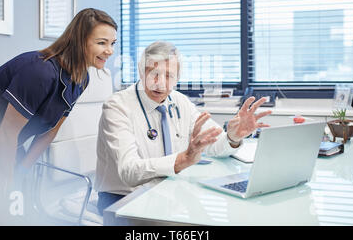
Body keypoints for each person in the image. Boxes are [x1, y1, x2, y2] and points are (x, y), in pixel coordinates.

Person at [0, 8, 117, 224]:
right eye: (102, 43)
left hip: (5, 139)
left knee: (11, 203)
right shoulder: (40, 71)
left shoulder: (82, 79)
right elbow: (8, 131)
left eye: (112, 43)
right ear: (79, 41)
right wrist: (9, 181)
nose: (109, 51)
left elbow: (51, 130)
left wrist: (24, 169)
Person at [94, 41, 272, 215]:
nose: (160, 83)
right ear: (141, 72)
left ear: (178, 79)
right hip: (122, 198)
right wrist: (182, 160)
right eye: (153, 73)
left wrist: (233, 137)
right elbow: (129, 172)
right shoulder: (117, 106)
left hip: (167, 191)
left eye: (169, 76)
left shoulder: (180, 102)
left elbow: (214, 146)